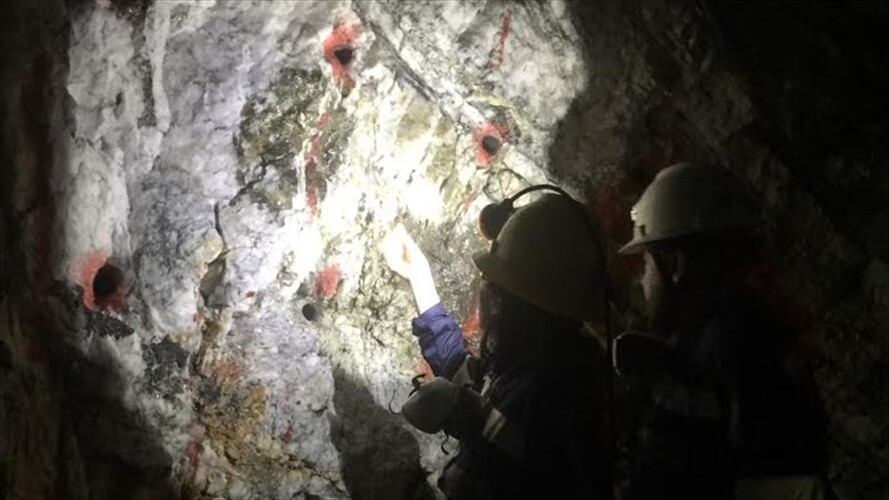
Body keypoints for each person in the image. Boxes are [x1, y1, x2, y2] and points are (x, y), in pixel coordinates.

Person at [614, 162, 829, 500]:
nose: (643, 282)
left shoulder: (729, 344)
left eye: (646, 265)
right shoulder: (743, 329)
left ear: (673, 264)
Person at [381, 192, 613, 500]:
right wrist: (419, 277)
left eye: (495, 286)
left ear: (511, 301)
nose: (487, 293)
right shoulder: (530, 361)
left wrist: (474, 423)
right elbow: (463, 372)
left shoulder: (551, 390)